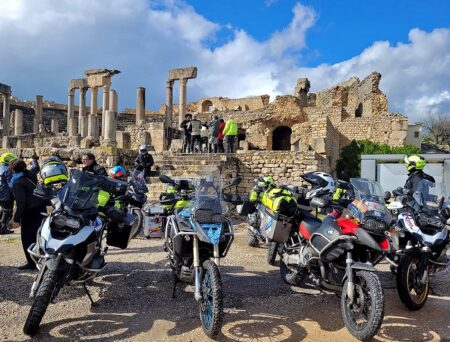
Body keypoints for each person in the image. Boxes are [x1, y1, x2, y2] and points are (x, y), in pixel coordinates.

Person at [9, 159, 47, 270]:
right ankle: (43, 259)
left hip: (30, 212)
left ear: (12, 170)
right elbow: (36, 167)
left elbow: (21, 204)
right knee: (40, 236)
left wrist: (16, 219)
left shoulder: (17, 182)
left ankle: (32, 262)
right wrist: (33, 159)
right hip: (40, 208)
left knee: (27, 239)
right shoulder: (30, 173)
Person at [0, 153, 17, 234]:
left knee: (3, 210)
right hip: (5, 194)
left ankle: (2, 228)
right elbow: (11, 185)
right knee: (7, 211)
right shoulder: (8, 170)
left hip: (1, 193)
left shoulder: (1, 168)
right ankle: (2, 228)